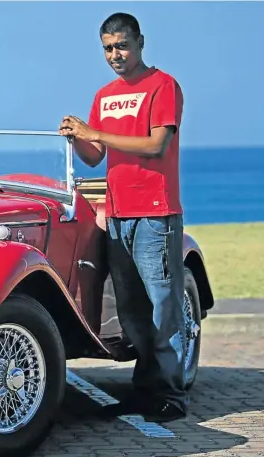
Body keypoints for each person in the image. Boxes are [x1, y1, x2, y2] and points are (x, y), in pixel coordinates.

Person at [59, 12, 187, 423]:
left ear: (140, 42)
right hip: (116, 215)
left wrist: (94, 132)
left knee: (162, 306)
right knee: (131, 310)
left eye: (122, 45)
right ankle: (143, 391)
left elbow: (155, 145)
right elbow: (95, 158)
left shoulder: (162, 85)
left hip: (155, 214)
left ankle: (170, 395)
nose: (116, 54)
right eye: (108, 48)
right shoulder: (104, 95)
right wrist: (79, 138)